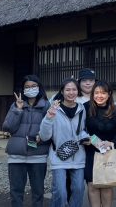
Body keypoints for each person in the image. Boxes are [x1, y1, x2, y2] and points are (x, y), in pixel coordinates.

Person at [2, 75, 50, 207]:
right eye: (27, 87)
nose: (30, 89)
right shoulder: (16, 105)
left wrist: (43, 137)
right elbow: (8, 127)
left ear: (39, 88)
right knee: (16, 192)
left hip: (38, 155)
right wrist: (18, 109)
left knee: (38, 192)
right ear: (22, 90)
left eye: (33, 86)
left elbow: (51, 128)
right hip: (16, 155)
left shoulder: (46, 106)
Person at [39, 79, 88, 207]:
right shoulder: (54, 109)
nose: (71, 92)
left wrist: (86, 138)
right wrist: (49, 117)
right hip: (58, 156)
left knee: (79, 190)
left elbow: (82, 130)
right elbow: (44, 136)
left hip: (78, 155)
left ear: (78, 91)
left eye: (74, 89)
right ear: (62, 91)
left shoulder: (82, 109)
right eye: (67, 89)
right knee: (60, 192)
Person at [84, 81, 116, 207]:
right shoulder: (85, 108)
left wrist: (111, 142)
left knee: (106, 185)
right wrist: (93, 140)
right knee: (92, 185)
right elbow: (80, 129)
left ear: (109, 94)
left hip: (109, 151)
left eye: (103, 93)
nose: (99, 96)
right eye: (96, 93)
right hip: (91, 151)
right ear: (92, 94)